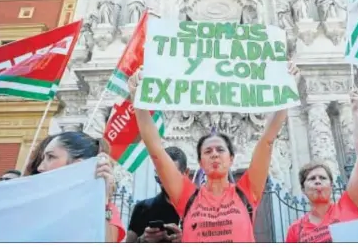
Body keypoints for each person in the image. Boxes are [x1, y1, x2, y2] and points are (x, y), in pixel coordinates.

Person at [128, 62, 301, 243]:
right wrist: (137, 100)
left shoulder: (247, 192)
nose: (215, 154)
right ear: (201, 162)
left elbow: (267, 141)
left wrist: (288, 91)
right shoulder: (186, 195)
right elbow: (155, 149)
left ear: (231, 159)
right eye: (208, 151)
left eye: (220, 149)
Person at [286, 90, 358, 243]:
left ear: (331, 185)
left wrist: (356, 112)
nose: (318, 181)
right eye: (312, 179)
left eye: (322, 178)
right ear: (303, 188)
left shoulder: (349, 206)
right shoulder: (295, 230)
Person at [36, 131, 126, 242]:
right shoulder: (38, 202)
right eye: (43, 158)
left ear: (77, 165)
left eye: (50, 157)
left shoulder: (105, 208)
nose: (40, 167)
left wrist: (104, 200)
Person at [126, 146, 188, 243]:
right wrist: (142, 240)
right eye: (161, 175)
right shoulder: (142, 208)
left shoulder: (199, 210)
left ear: (186, 173)